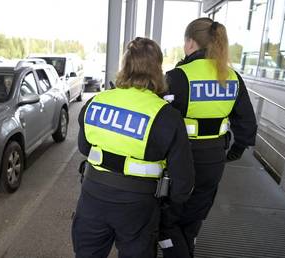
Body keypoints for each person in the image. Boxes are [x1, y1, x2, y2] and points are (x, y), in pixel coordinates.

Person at [72, 37, 195, 258]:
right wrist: (168, 214)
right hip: (139, 206)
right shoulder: (167, 115)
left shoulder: (95, 102)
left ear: (125, 66)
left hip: (93, 196)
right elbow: (183, 182)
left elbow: (84, 147)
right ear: (158, 69)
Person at [159, 18, 257, 258]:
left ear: (191, 42)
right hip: (214, 158)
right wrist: (237, 148)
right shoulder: (231, 76)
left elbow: (158, 118)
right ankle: (188, 246)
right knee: (195, 215)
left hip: (180, 159)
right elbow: (247, 121)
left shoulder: (178, 76)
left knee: (166, 220)